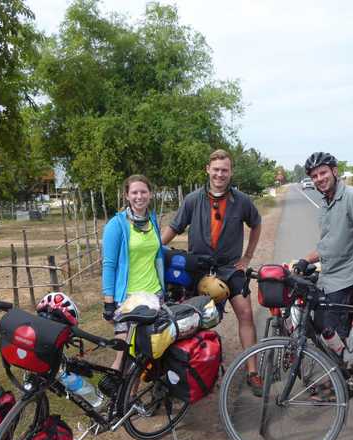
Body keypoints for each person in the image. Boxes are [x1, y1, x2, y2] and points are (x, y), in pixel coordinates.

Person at [161, 149, 263, 395]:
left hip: (230, 268)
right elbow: (174, 228)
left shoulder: (242, 201)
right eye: (216, 169)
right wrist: (153, 251)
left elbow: (257, 224)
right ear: (208, 169)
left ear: (231, 172)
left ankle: (252, 372)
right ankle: (191, 369)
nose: (220, 174)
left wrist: (247, 257)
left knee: (246, 313)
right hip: (199, 269)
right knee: (188, 321)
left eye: (224, 170)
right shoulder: (193, 199)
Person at [293, 151, 353, 342]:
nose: (319, 179)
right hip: (328, 277)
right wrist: (305, 260)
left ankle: (343, 370)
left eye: (323, 173)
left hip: (346, 278)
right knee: (313, 318)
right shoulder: (325, 204)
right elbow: (329, 244)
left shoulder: (352, 195)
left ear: (334, 171)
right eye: (314, 176)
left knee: (334, 335)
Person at [102, 174, 165, 369]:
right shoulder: (116, 225)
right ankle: (119, 398)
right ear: (127, 196)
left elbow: (156, 255)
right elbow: (109, 265)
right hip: (127, 300)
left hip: (154, 295)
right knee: (124, 356)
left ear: (150, 194)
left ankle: (142, 396)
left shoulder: (152, 220)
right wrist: (108, 303)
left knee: (151, 351)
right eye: (134, 192)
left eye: (143, 191)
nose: (139, 196)